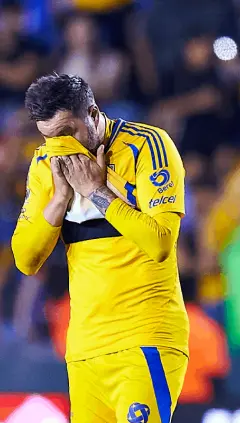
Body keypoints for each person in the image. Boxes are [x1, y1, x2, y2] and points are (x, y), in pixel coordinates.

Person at [11, 74, 189, 423]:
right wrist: (60, 197)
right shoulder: (45, 164)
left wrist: (97, 191)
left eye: (67, 133)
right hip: (84, 352)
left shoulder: (148, 146)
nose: (62, 148)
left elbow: (161, 243)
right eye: (50, 138)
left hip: (145, 339)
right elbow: (25, 260)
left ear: (93, 114)